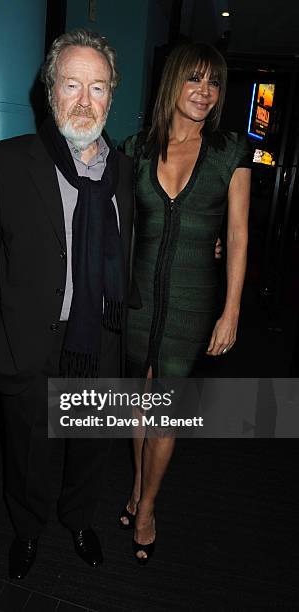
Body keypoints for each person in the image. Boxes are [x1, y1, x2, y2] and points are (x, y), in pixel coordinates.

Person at [0, 29, 134, 577]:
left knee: (91, 450)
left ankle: (80, 519)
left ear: (112, 95)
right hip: (28, 345)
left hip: (100, 343)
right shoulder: (1, 164)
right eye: (72, 84)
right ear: (49, 90)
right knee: (28, 455)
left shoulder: (127, 175)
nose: (85, 100)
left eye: (98, 87)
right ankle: (28, 530)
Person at [120, 42, 251, 564]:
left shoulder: (229, 151)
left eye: (214, 83)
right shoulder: (135, 149)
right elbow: (118, 226)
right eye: (194, 79)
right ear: (172, 82)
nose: (204, 92)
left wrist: (232, 309)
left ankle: (147, 505)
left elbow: (239, 235)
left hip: (194, 299)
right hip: (137, 297)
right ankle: (134, 485)